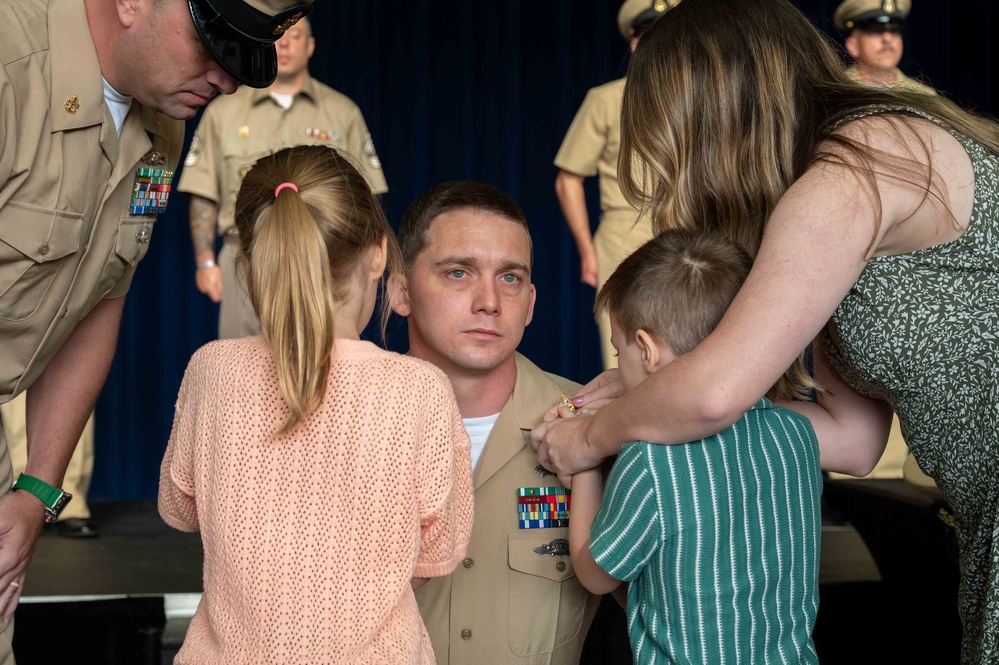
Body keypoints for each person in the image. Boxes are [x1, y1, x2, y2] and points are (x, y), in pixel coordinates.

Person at [531, 0, 999, 662]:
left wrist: (589, 435)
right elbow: (853, 439)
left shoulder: (858, 156)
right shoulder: (837, 196)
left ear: (717, 110)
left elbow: (716, 392)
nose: (681, 175)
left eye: (678, 144)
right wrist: (644, 396)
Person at [0, 0, 311, 655]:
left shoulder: (161, 128)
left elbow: (95, 301)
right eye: (213, 40)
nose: (226, 79)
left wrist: (36, 489)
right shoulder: (10, 64)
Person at [159, 145, 473, 663]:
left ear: (253, 261)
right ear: (378, 253)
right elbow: (441, 550)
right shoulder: (420, 389)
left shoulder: (211, 370)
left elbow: (179, 508)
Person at [567, 229, 821, 663]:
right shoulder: (796, 436)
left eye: (618, 352)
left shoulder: (650, 460)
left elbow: (595, 575)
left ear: (647, 351)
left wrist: (584, 465)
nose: (616, 367)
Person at [389, 182, 603, 664]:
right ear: (401, 291)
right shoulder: (340, 431)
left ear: (529, 303)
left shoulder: (594, 428)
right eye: (459, 272)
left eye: (509, 278)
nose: (489, 300)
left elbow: (670, 610)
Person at [179, 14, 388, 339]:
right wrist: (205, 261)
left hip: (326, 258)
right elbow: (203, 190)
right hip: (246, 258)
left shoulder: (342, 112)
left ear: (311, 46)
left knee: (328, 366)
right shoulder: (224, 112)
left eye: (296, 35)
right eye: (279, 35)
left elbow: (366, 197)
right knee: (241, 372)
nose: (286, 43)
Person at [554, 0, 677, 370]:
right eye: (651, 34)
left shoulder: (698, 98)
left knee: (687, 345)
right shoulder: (606, 100)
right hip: (624, 235)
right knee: (625, 356)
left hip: (688, 230)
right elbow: (568, 179)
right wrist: (588, 250)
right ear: (635, 43)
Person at [834, 0, 935, 94]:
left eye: (894, 30)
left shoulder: (924, 96)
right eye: (876, 31)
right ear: (853, 46)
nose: (887, 38)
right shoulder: (834, 93)